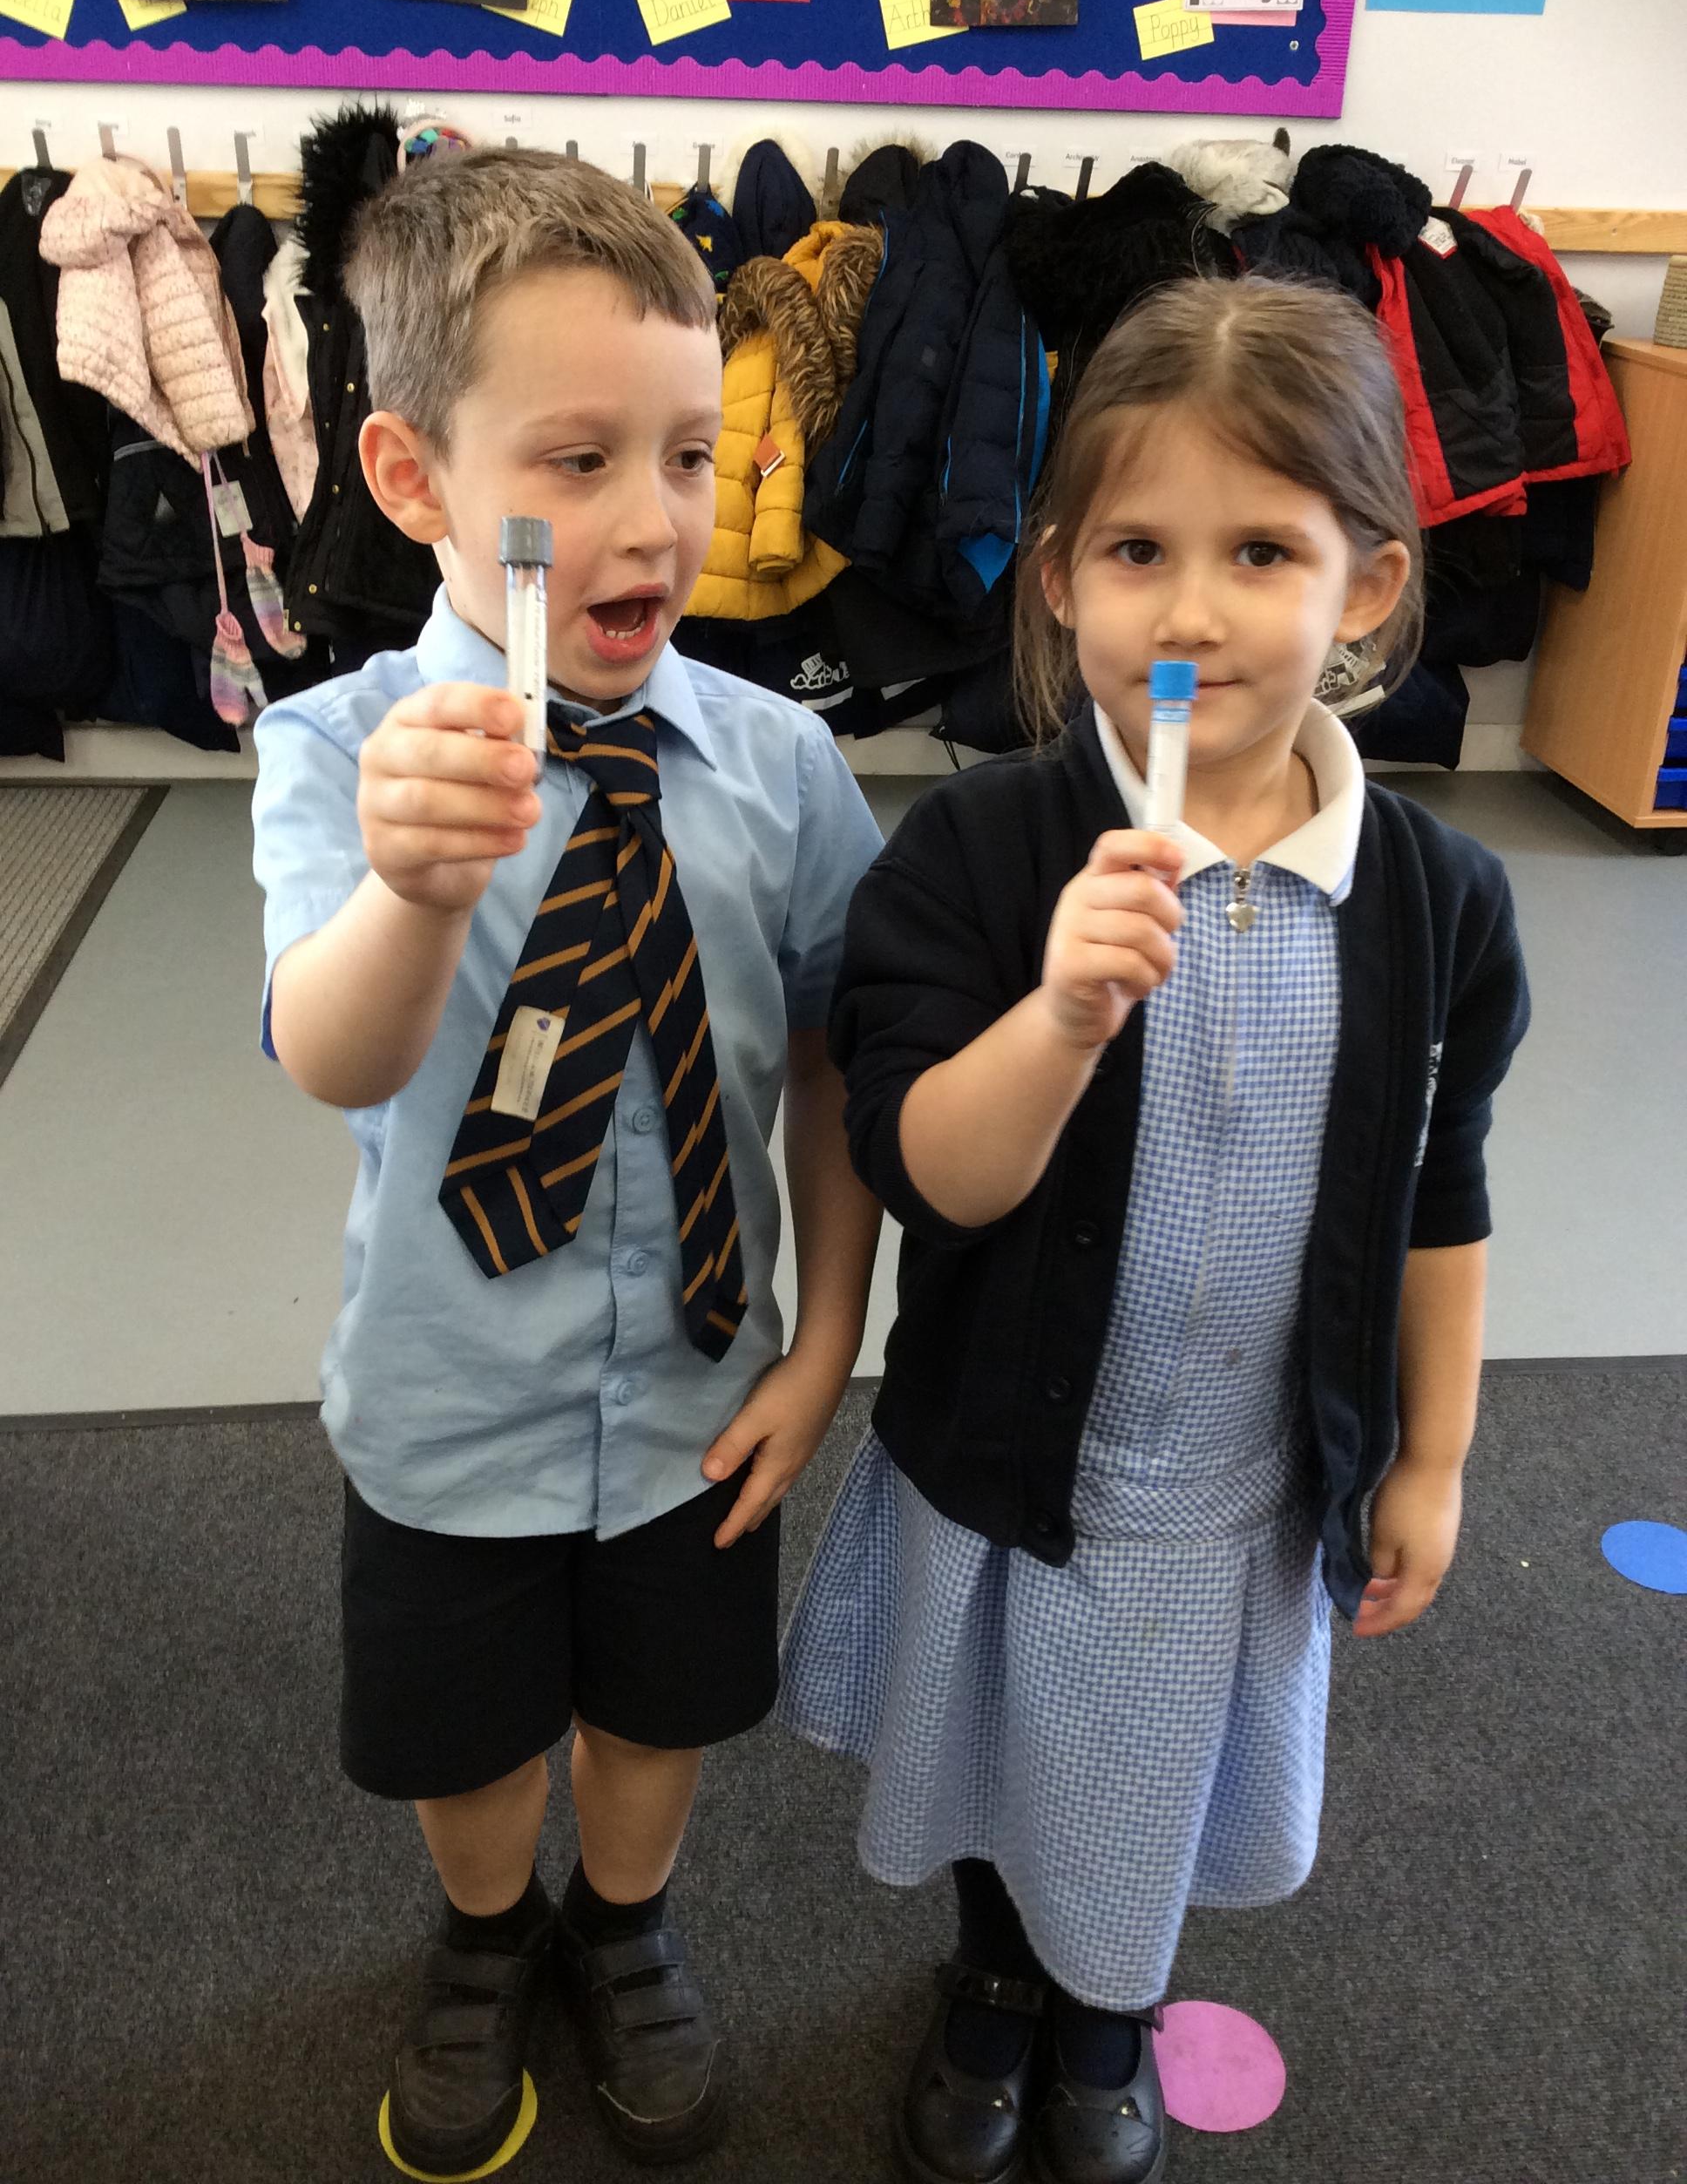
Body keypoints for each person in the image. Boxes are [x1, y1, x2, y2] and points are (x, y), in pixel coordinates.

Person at [779, 275, 1530, 2184]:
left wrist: (1432, 1455)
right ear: (1057, 583)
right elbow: (929, 1171)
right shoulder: (974, 856)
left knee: (1146, 1771)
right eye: (1136, 551)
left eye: (1259, 551)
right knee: (993, 1745)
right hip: (1008, 1461)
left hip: (1234, 1490)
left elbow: (1440, 1190)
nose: (1190, 611)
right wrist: (1058, 1017)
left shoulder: (1437, 903)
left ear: (1365, 587)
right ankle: (994, 1975)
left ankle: (1107, 2003)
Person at [251, 148, 883, 2178]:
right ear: (412, 475)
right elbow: (329, 1053)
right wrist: (418, 892)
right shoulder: (338, 756)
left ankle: (621, 1922)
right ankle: (481, 1931)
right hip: (450, 1389)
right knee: (458, 1727)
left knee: (661, 1705)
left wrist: (827, 1343)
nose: (652, 520)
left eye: (691, 456)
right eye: (578, 458)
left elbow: (835, 1063)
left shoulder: (782, 768)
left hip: (704, 1386)